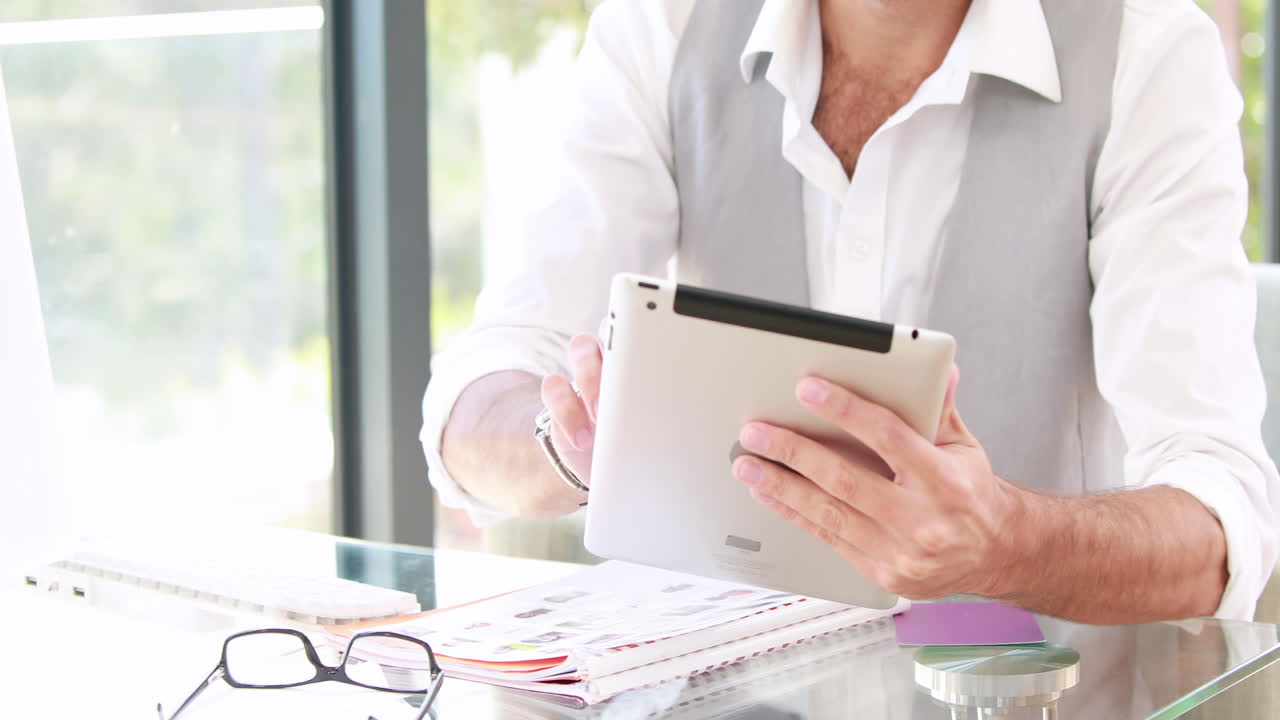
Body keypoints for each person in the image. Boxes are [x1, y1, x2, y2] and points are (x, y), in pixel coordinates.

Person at [421, 0, 1280, 623]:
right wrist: (569, 443)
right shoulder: (666, 28)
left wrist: (1003, 541)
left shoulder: (1144, 54)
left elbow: (1220, 528)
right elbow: (470, 410)